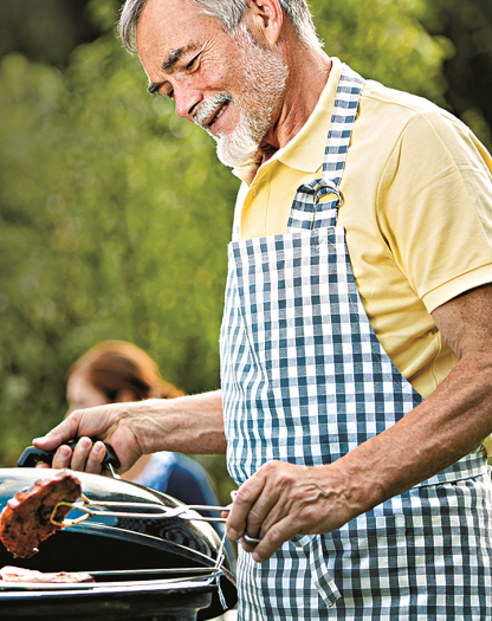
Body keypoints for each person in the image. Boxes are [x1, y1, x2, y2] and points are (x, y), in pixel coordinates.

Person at [33, 0, 492, 618]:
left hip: (420, 586)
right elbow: (293, 403)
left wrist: (348, 481)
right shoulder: (254, 179)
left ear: (264, 15)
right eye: (165, 88)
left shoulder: (410, 143)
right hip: (280, 600)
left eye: (190, 65)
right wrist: (142, 425)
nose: (182, 104)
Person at [67, 341, 221, 509]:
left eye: (81, 403)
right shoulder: (77, 485)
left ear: (122, 402)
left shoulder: (183, 481)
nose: (71, 416)